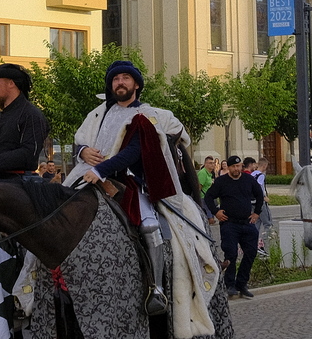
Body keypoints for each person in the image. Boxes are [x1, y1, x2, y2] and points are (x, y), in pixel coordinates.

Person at [67, 60, 219, 322]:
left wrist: (102, 170)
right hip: (86, 176)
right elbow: (78, 140)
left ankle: (155, 287)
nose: (120, 83)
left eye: (126, 78)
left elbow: (136, 150)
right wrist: (82, 151)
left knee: (148, 223)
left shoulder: (150, 115)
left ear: (136, 85)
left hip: (130, 181)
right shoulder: (96, 114)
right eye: (116, 79)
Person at [204, 156, 265, 298]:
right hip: (229, 224)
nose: (236, 169)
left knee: (251, 253)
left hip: (247, 223)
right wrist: (216, 212)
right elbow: (208, 197)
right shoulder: (221, 182)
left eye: (238, 166)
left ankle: (242, 283)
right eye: (233, 167)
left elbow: (259, 195)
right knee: (231, 254)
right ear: (229, 168)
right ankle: (230, 284)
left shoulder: (248, 180)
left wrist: (256, 213)